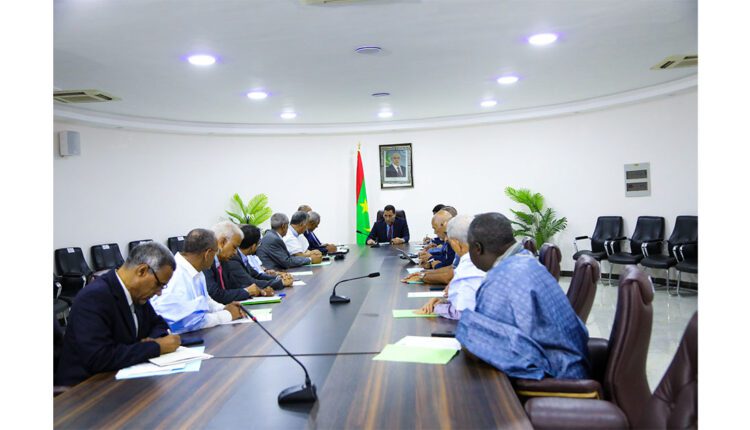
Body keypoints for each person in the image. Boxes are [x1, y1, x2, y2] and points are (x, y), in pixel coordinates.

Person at [455, 213, 590, 380]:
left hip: (557, 378)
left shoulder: (501, 278)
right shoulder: (527, 260)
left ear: (477, 248)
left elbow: (481, 345)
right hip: (572, 363)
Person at [55, 242, 182, 386]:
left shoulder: (137, 294)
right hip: (85, 388)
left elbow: (158, 324)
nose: (159, 293)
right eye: (159, 284)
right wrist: (156, 347)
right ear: (142, 271)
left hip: (121, 377)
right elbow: (99, 358)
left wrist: (154, 339)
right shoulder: (94, 297)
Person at [151, 228, 245, 334]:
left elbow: (205, 301)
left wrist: (224, 308)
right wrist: (227, 314)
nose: (215, 257)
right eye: (215, 253)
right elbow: (187, 322)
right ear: (207, 254)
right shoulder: (175, 275)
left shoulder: (197, 271)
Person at [415, 215, 485, 319]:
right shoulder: (477, 257)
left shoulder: (470, 264)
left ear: (456, 243)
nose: (446, 239)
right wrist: (444, 301)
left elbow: (462, 312)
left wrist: (436, 307)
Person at [204, 221, 274, 304]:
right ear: (222, 242)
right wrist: (247, 291)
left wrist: (260, 291)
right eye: (234, 247)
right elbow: (215, 295)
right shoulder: (206, 262)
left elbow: (233, 287)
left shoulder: (223, 261)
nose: (235, 253)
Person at [223, 224, 292, 292]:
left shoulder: (242, 256)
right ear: (253, 246)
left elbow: (257, 276)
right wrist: (281, 283)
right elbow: (250, 282)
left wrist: (278, 277)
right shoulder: (234, 259)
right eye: (259, 244)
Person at [257, 213, 322, 270]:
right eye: (287, 226)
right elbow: (287, 261)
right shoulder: (274, 239)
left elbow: (288, 258)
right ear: (283, 226)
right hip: (273, 272)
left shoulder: (272, 236)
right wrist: (310, 259)